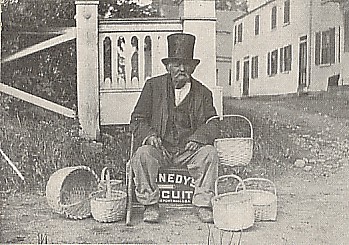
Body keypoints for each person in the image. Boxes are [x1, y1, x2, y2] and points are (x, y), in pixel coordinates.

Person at [129, 33, 219, 223]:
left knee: (210, 153)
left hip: (188, 151)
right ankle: (150, 205)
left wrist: (199, 137)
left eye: (186, 65)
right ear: (168, 67)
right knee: (143, 154)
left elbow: (213, 122)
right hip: (160, 148)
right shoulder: (153, 87)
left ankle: (203, 204)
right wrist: (150, 136)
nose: (182, 69)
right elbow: (137, 119)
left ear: (193, 68)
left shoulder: (203, 92)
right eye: (177, 64)